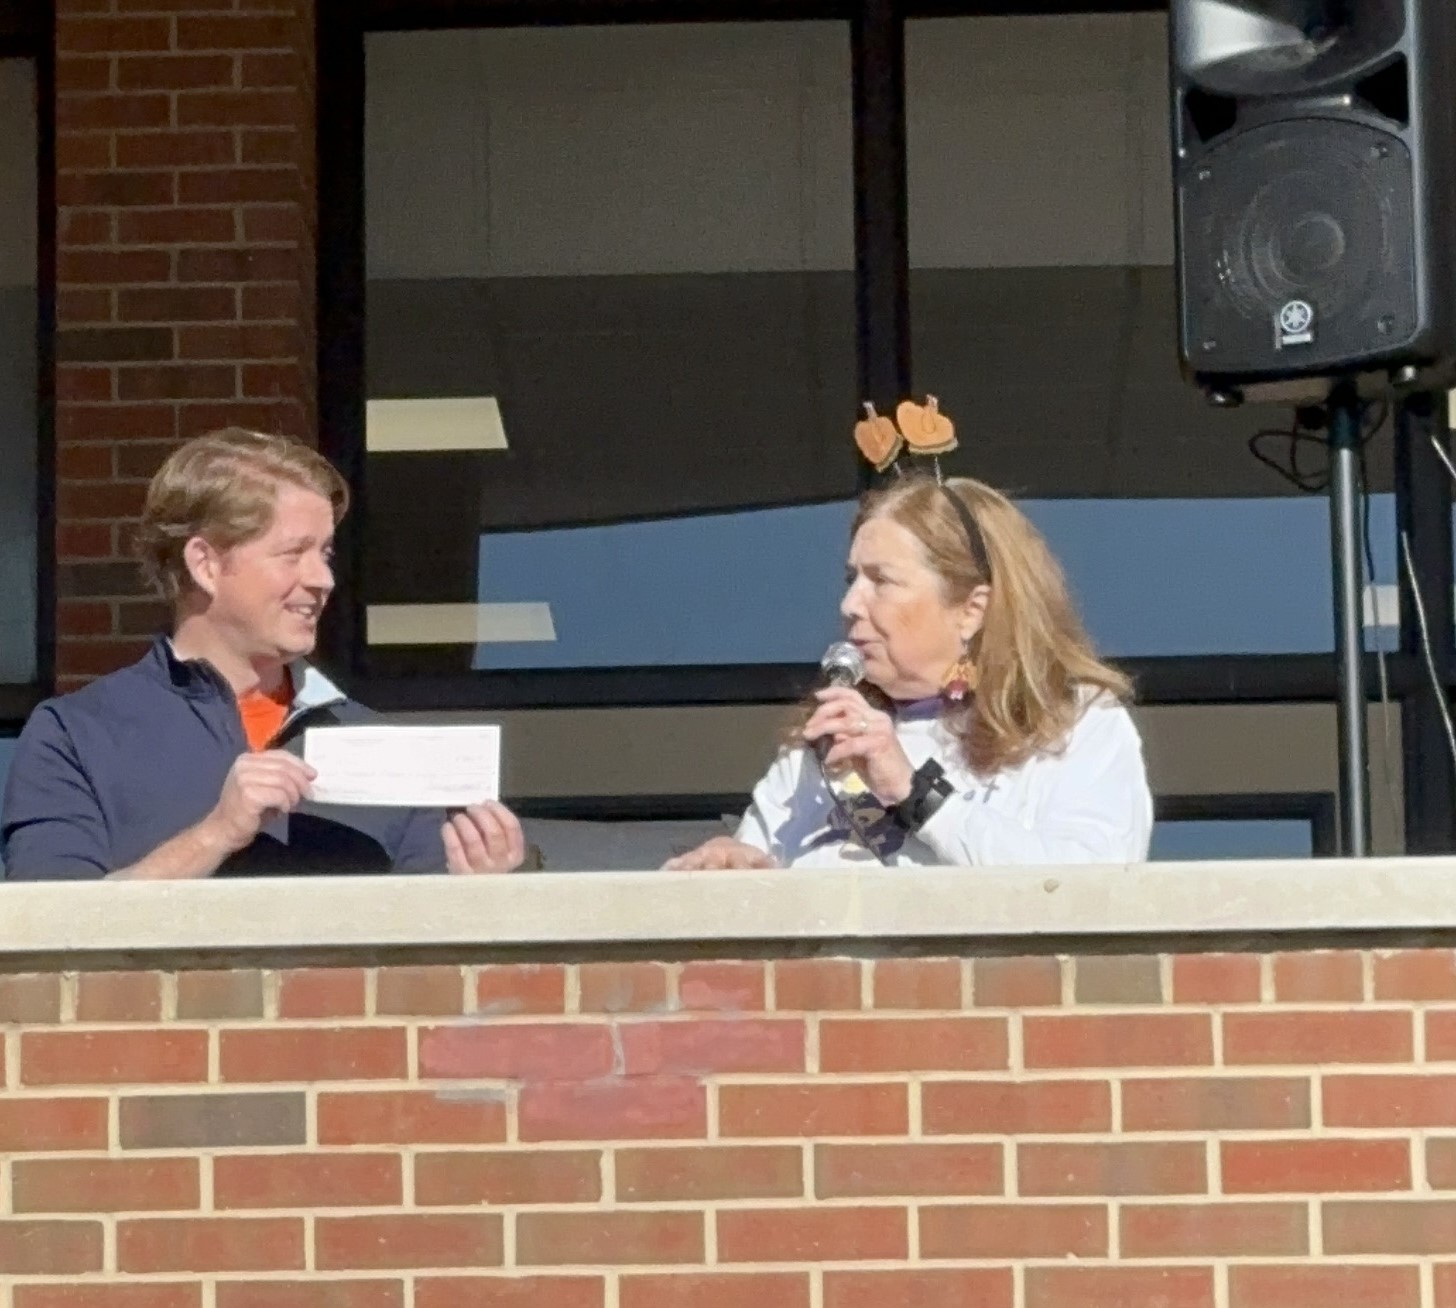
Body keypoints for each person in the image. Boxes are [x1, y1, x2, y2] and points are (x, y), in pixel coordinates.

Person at [1, 428, 525, 881]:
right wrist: (215, 835)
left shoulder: (374, 748)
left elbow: (426, 972)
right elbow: (48, 945)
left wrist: (476, 895)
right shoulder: (78, 736)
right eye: (293, 554)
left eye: (324, 554)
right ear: (206, 565)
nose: (322, 580)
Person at [666, 472, 1152, 870]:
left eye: (882, 581)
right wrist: (735, 866)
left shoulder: (1075, 724)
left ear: (970, 610)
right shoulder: (828, 737)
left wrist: (914, 793)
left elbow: (1093, 890)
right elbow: (764, 869)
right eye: (851, 579)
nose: (850, 604)